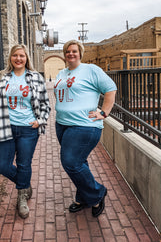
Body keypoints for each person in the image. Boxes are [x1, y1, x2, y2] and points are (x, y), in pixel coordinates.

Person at [0, 44, 50, 219]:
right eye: (15, 55)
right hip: (5, 127)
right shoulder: (1, 77)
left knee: (24, 164)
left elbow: (45, 103)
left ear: (26, 58)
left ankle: (21, 197)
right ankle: (25, 184)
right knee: (1, 165)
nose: (18, 59)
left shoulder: (36, 78)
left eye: (22, 56)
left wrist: (40, 121)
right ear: (11, 58)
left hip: (28, 129)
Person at [54, 40, 117, 217]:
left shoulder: (91, 70)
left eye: (74, 51)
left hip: (84, 126)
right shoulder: (62, 72)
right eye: (67, 51)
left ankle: (97, 193)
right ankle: (82, 198)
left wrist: (104, 113)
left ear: (80, 53)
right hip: (62, 124)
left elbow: (111, 89)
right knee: (79, 162)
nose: (70, 54)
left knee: (70, 162)